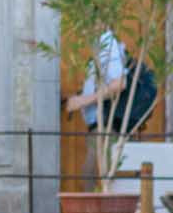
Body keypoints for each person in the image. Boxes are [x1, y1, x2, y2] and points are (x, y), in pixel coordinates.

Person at [66, 24, 158, 181]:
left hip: (106, 127)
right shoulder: (103, 44)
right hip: (107, 126)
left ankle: (93, 207)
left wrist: (81, 101)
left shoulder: (106, 42)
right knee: (96, 175)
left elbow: (119, 84)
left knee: (93, 176)